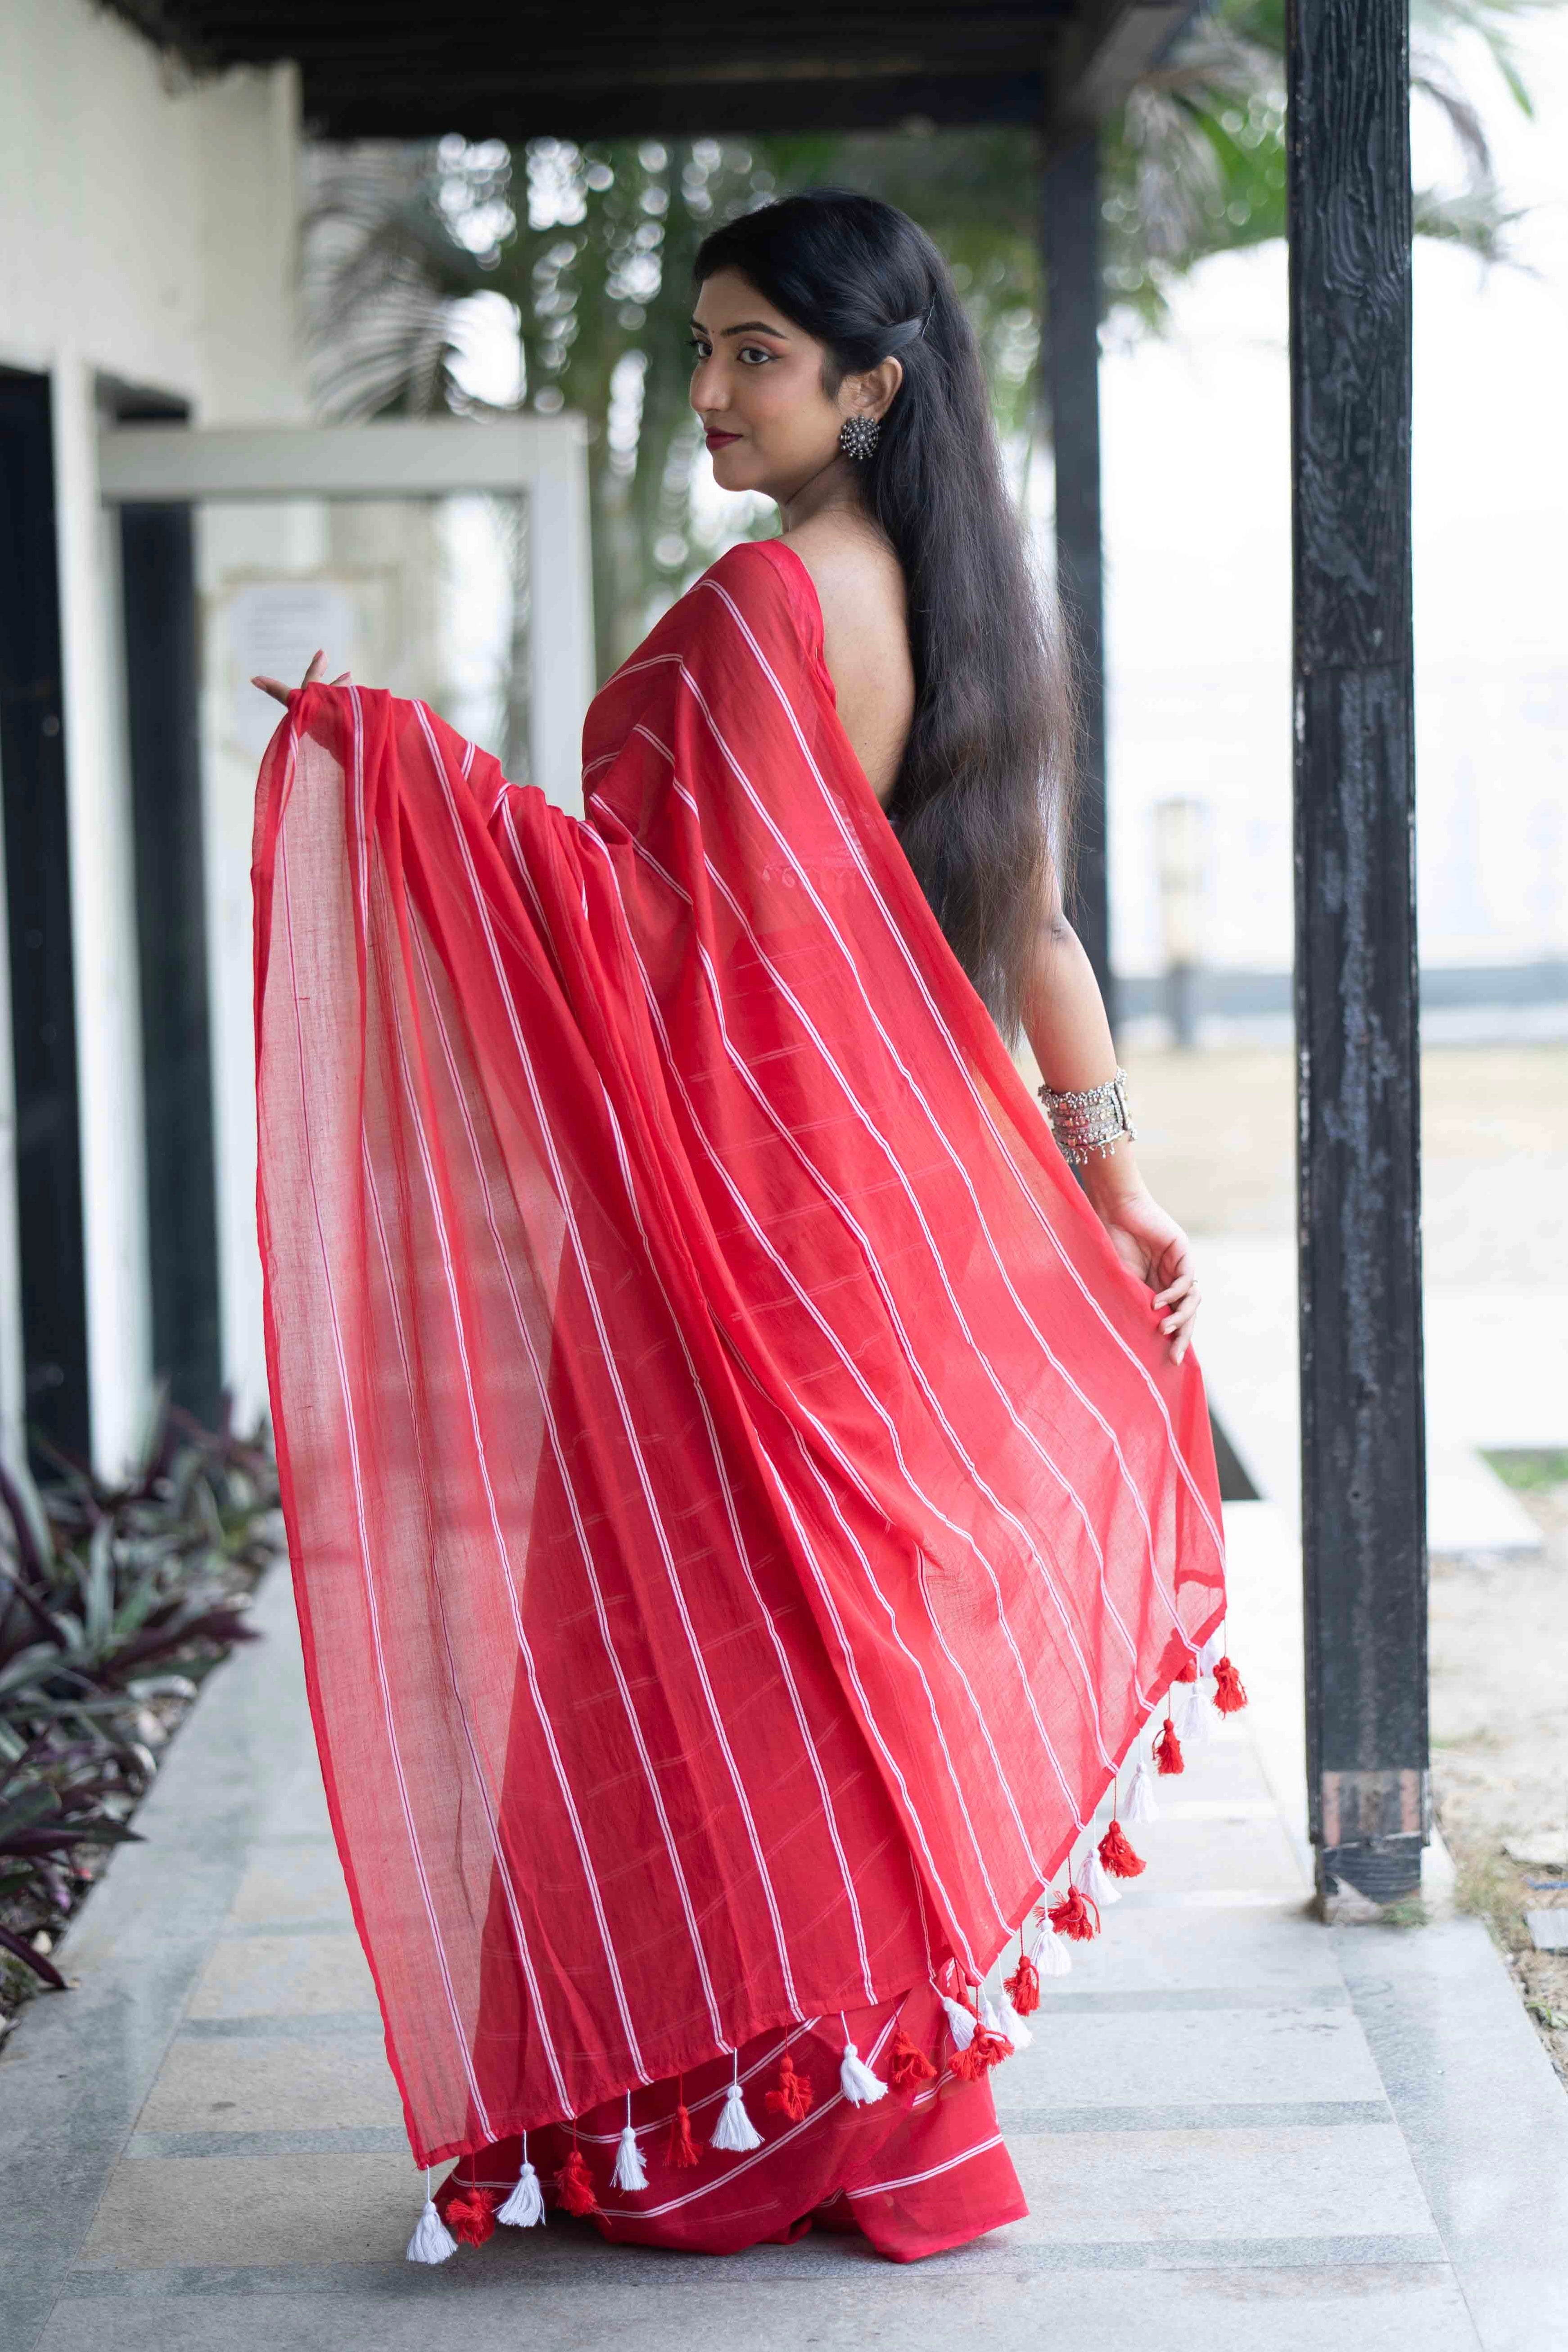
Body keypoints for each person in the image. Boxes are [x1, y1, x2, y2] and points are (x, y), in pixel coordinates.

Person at [251, 190, 1229, 2269]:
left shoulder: (766, 608)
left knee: (693, 1658)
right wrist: (1110, 1168)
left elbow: (636, 915)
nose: (708, 390)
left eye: (753, 354)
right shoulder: (956, 604)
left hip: (744, 1232)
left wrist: (412, 776)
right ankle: (875, 2112)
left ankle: (731, 2123)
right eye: (702, 345)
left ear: (869, 384)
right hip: (883, 1221)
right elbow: (1022, 913)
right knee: (823, 1656)